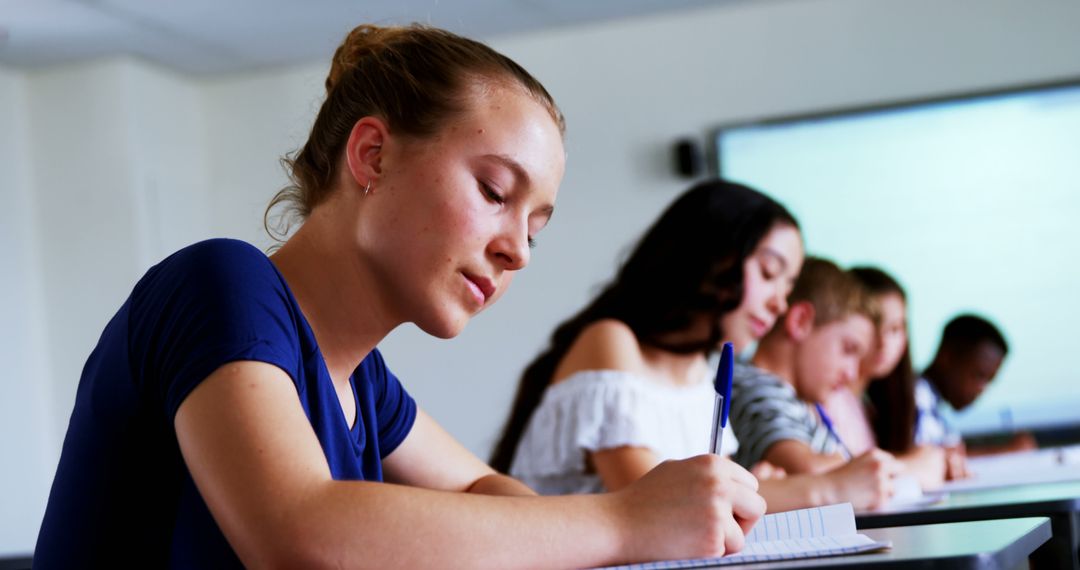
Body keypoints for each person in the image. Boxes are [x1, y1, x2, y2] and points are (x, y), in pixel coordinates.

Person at [33, 24, 764, 568]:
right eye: (494, 192)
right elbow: (301, 531)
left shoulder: (367, 386)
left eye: (535, 229)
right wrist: (624, 522)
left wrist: (624, 523)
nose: (517, 249)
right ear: (372, 156)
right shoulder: (219, 285)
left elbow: (480, 485)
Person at [491, 181, 892, 512]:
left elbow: (715, 500)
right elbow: (665, 507)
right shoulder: (611, 342)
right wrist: (828, 490)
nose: (779, 304)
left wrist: (749, 488)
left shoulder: (702, 370)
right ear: (712, 258)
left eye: (787, 287)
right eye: (769, 273)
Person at [729, 257, 904, 510]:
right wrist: (910, 467)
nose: (852, 373)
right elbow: (805, 471)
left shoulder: (796, 399)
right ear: (800, 321)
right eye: (848, 349)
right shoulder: (756, 387)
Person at [827, 267, 948, 487]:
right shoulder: (829, 397)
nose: (884, 343)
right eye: (875, 327)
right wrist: (921, 462)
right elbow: (850, 478)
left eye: (895, 329)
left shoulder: (867, 405)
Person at [915, 314, 1033, 459]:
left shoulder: (932, 404)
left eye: (989, 381)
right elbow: (932, 461)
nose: (982, 389)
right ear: (947, 356)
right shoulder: (916, 397)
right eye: (979, 376)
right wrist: (1008, 451)